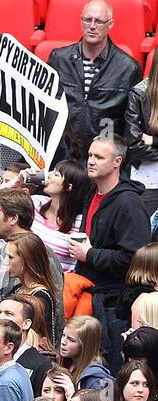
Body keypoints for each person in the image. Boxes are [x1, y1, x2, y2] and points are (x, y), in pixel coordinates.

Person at [70, 134, 148, 371]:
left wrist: (90, 254)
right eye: (90, 155)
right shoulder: (92, 194)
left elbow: (134, 258)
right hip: (90, 295)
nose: (90, 161)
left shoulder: (129, 204)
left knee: (109, 366)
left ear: (117, 162)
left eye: (99, 157)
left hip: (113, 304)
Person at [48, 0, 142, 162]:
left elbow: (131, 122)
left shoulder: (128, 67)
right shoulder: (59, 59)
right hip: (62, 152)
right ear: (81, 21)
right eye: (88, 20)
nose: (92, 26)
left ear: (110, 24)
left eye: (98, 21)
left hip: (103, 156)